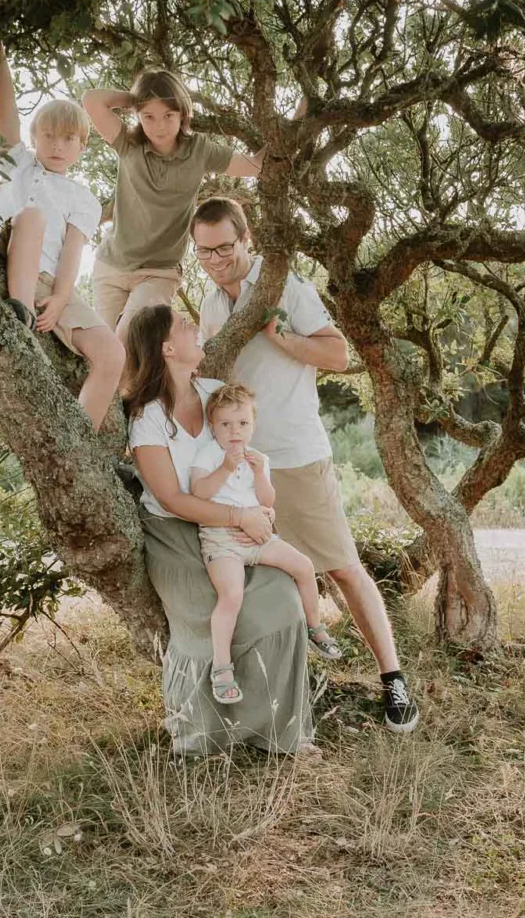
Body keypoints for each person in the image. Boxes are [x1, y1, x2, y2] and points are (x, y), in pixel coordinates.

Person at [194, 197, 420, 733]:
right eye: (204, 252)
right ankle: (273, 700)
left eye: (226, 247)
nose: (217, 259)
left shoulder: (286, 289)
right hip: (236, 472)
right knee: (249, 583)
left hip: (294, 457)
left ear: (248, 239)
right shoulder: (208, 303)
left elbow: (339, 354)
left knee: (341, 567)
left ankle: (393, 679)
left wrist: (283, 338)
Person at [124, 304, 314, 754]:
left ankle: (278, 730)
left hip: (235, 524)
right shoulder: (147, 417)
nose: (195, 328)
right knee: (204, 608)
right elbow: (171, 498)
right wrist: (237, 518)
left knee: (283, 599)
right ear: (167, 348)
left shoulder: (214, 394)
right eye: (184, 326)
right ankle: (203, 735)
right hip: (174, 531)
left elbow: (245, 456)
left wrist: (256, 510)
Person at [0, 43, 125, 431]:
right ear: (34, 138)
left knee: (112, 355)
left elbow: (73, 252)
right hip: (13, 252)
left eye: (68, 139)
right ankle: (19, 315)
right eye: (48, 135)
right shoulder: (18, 164)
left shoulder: (82, 198)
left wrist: (63, 297)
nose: (57, 145)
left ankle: (81, 437)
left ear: (82, 147)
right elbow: (6, 112)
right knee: (32, 217)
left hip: (52, 282)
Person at [189, 383, 343, 704]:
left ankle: (314, 626)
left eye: (243, 424)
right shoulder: (208, 454)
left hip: (259, 536)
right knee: (230, 595)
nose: (235, 432)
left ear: (253, 426)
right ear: (213, 427)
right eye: (225, 424)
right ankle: (221, 666)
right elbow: (199, 493)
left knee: (304, 566)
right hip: (222, 540)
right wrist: (226, 468)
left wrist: (259, 474)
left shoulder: (259, 458)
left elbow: (268, 499)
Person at [82, 70, 262, 339]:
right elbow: (91, 100)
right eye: (149, 117)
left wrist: (293, 127)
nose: (159, 126)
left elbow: (253, 166)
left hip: (159, 272)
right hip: (112, 266)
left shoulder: (199, 150)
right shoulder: (128, 143)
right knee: (99, 349)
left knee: (128, 338)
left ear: (182, 114)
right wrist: (137, 98)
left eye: (168, 115)